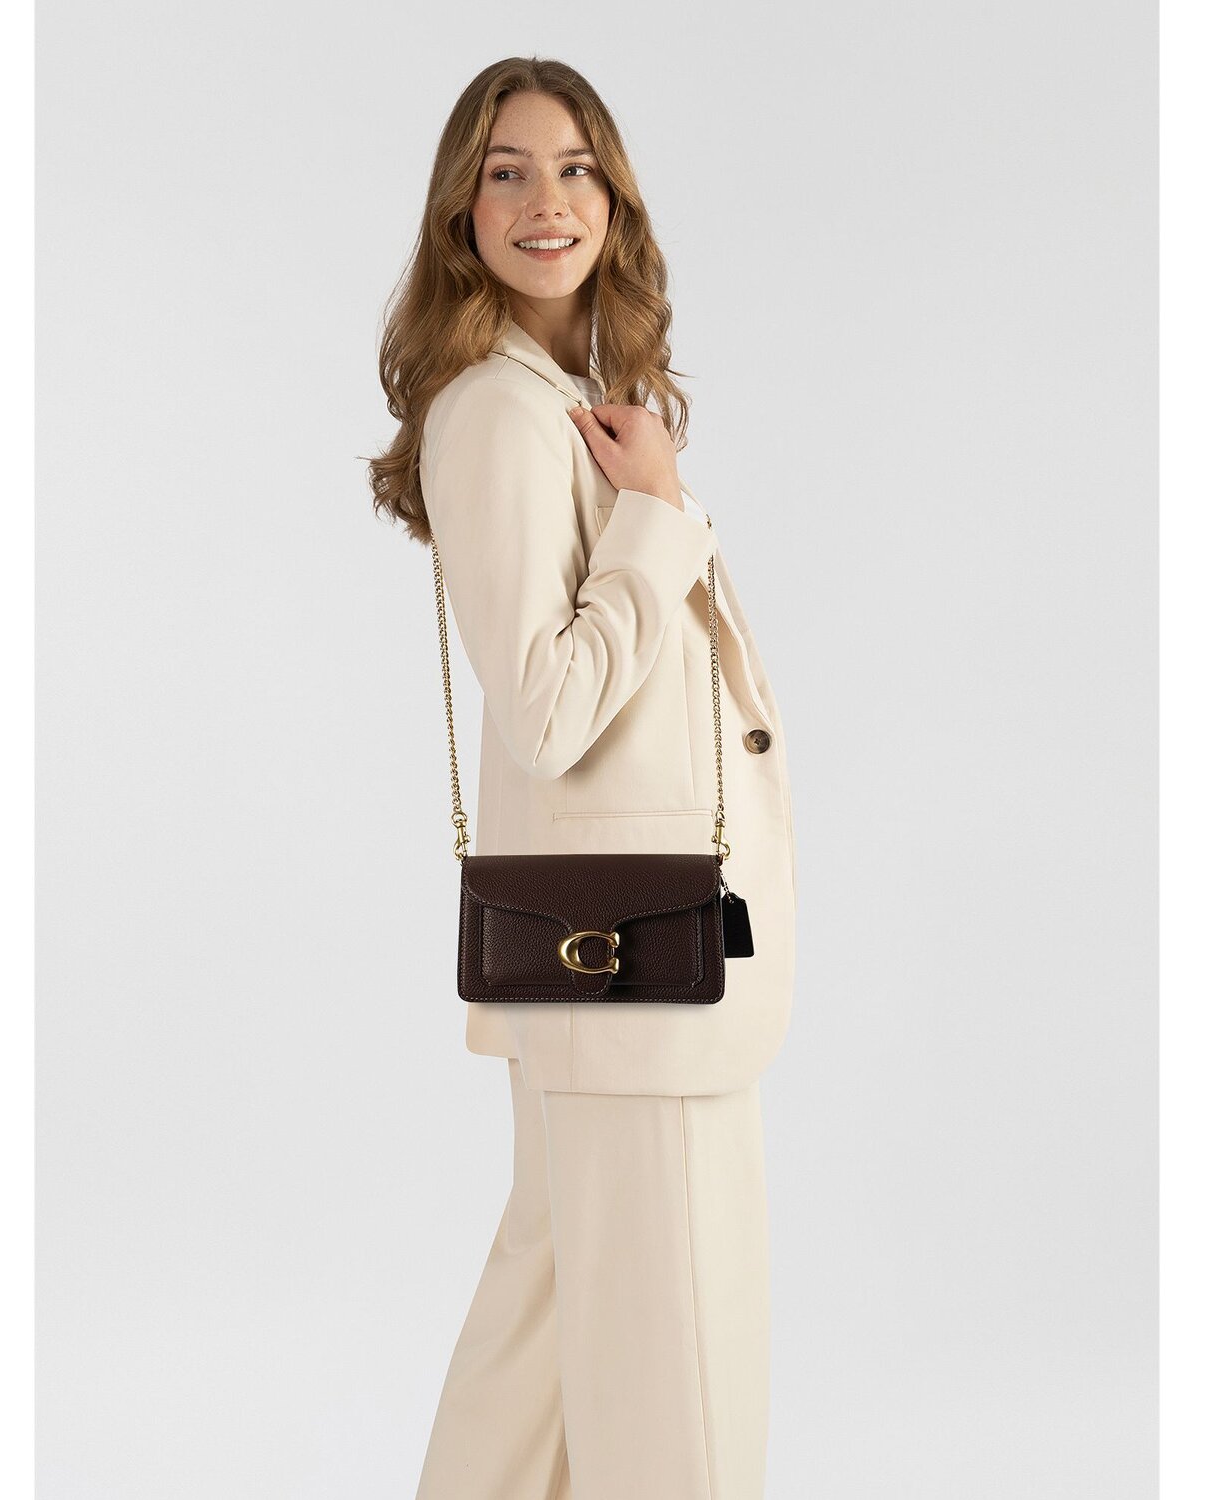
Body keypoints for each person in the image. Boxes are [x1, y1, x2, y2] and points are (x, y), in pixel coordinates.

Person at [369, 55, 796, 1500]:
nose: (545, 200)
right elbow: (550, 709)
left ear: (614, 201)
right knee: (678, 1382)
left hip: (616, 966)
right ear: (462, 210)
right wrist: (658, 517)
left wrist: (647, 500)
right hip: (632, 967)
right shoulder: (499, 414)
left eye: (575, 169)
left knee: (547, 1364)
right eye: (506, 172)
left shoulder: (562, 400)